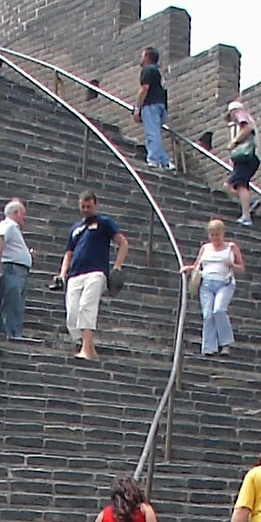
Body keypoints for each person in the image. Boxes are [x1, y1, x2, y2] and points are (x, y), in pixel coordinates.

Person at [55, 190, 128, 361]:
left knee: (87, 307)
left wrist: (117, 267)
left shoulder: (104, 223)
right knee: (72, 313)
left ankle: (86, 350)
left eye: (89, 206)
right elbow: (68, 253)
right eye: (83, 207)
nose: (86, 210)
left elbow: (123, 243)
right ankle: (89, 348)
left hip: (96, 272)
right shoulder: (75, 228)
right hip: (75, 274)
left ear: (95, 204)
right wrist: (62, 273)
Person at [180, 218, 245, 356]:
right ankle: (209, 347)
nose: (215, 238)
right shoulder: (205, 248)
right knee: (208, 314)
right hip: (207, 283)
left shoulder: (231, 247)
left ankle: (225, 343)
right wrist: (189, 268)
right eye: (212, 235)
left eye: (217, 234)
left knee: (219, 310)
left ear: (222, 233)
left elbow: (242, 268)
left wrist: (232, 265)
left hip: (224, 283)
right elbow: (198, 265)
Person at [0, 199, 33, 340]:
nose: (24, 218)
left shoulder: (13, 228)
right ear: (15, 213)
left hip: (19, 270)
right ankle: (10, 333)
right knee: (11, 302)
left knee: (17, 304)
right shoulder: (8, 225)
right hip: (12, 269)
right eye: (23, 214)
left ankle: (15, 333)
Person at [133, 46, 173, 170]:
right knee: (155, 133)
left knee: (152, 134)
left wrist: (137, 108)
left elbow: (144, 89)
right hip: (160, 105)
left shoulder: (147, 70)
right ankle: (166, 161)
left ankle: (154, 159)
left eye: (142, 55)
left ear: (146, 57)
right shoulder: (156, 71)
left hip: (151, 105)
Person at [224, 101, 261, 226]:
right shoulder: (240, 121)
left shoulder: (241, 114)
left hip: (246, 157)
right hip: (248, 158)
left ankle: (246, 216)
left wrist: (234, 142)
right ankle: (249, 203)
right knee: (237, 185)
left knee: (234, 185)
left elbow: (247, 128)